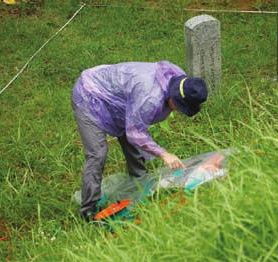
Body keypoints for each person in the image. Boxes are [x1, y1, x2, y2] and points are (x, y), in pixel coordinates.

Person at [71, 61, 208, 221]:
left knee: (133, 140)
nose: (176, 109)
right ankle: (89, 210)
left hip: (119, 98)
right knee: (97, 153)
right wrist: (164, 154)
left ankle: (140, 182)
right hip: (90, 95)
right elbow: (135, 133)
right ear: (174, 95)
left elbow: (136, 125)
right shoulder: (150, 97)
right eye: (178, 106)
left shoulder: (180, 80)